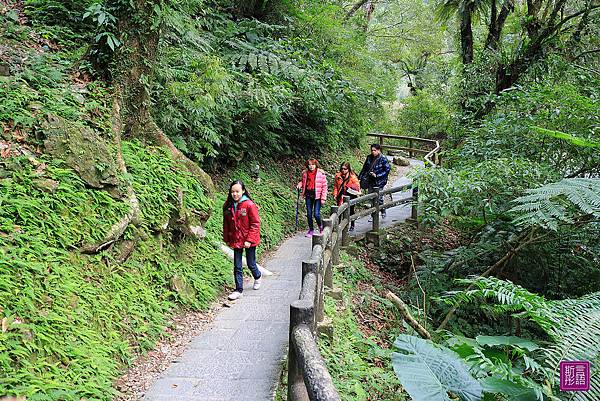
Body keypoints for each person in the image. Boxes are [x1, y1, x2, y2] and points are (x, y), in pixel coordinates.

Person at [222, 180, 262, 300]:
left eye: (237, 191)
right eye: (232, 192)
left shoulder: (249, 205)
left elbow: (255, 223)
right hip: (236, 240)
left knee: (251, 263)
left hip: (249, 239)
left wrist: (249, 239)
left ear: (243, 191)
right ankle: (238, 290)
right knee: (237, 265)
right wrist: (227, 239)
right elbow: (226, 225)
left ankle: (258, 276)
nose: (235, 194)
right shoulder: (228, 206)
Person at [358, 143, 391, 217]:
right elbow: (364, 168)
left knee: (379, 198)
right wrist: (359, 178)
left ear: (378, 150)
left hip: (380, 181)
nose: (373, 152)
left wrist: (377, 175)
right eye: (372, 150)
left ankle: (382, 210)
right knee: (371, 197)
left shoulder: (383, 158)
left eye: (375, 150)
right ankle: (374, 214)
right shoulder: (369, 157)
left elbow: (387, 170)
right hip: (370, 180)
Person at [297, 158, 328, 237]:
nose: (311, 166)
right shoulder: (305, 173)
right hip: (308, 195)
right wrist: (300, 184)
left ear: (316, 165)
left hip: (317, 196)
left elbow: (324, 186)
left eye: (313, 165)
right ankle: (311, 230)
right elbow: (303, 181)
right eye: (309, 165)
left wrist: (323, 198)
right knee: (309, 214)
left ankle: (321, 227)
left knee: (316, 214)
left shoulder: (321, 174)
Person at [333, 162, 360, 231]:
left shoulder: (352, 177)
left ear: (348, 169)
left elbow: (357, 187)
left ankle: (352, 224)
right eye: (342, 169)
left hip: (350, 195)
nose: (343, 170)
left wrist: (349, 187)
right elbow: (336, 186)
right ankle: (338, 226)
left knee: (351, 211)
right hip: (340, 195)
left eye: (345, 169)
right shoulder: (338, 176)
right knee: (339, 210)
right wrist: (335, 194)